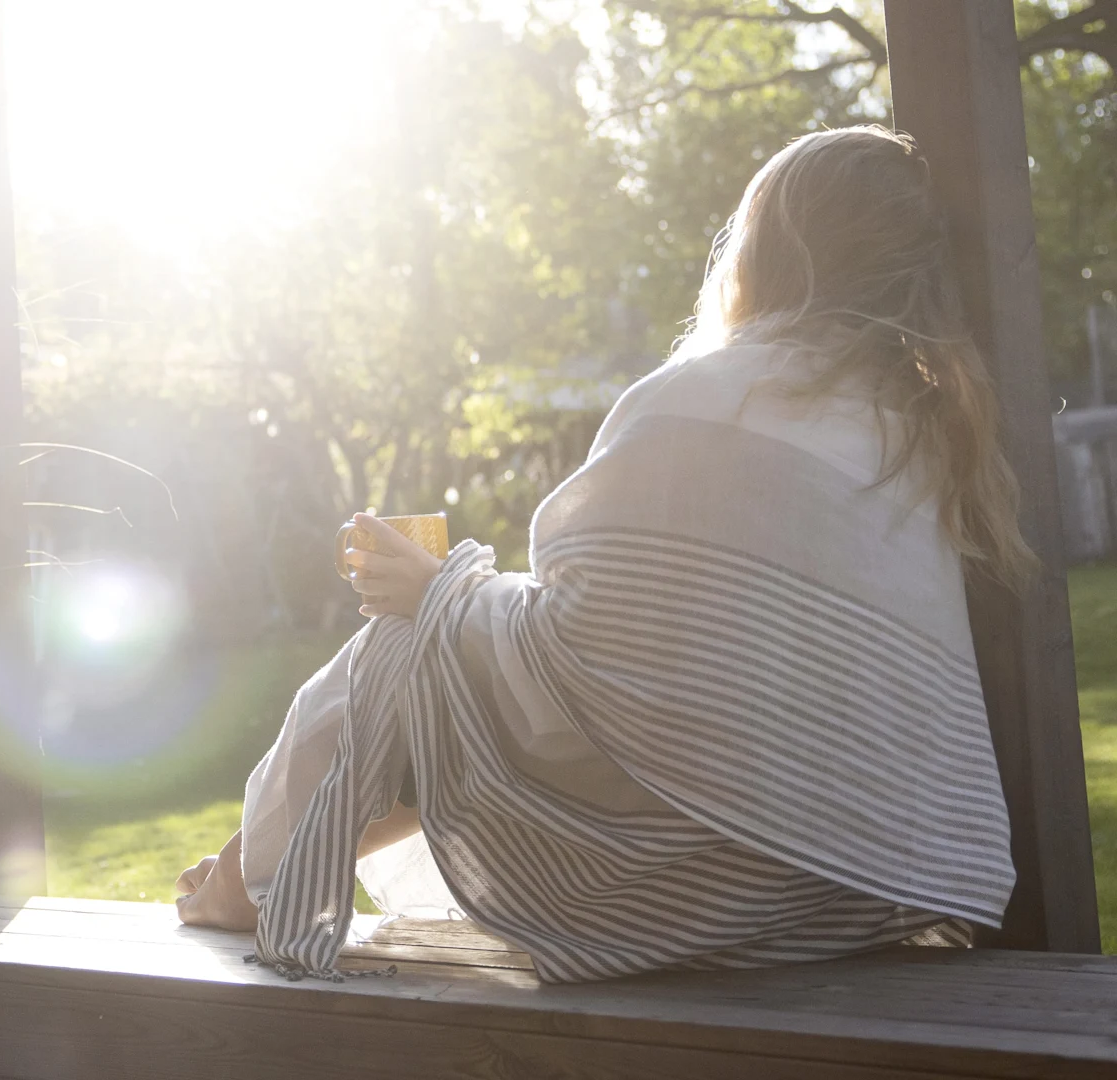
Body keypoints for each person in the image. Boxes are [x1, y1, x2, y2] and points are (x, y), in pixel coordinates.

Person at [174, 125, 1029, 983]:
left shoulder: (700, 406)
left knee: (396, 650)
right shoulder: (927, 443)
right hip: (849, 892)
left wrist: (440, 594)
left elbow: (575, 660)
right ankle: (265, 865)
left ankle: (255, 877)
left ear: (766, 253)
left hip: (675, 892)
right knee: (435, 637)